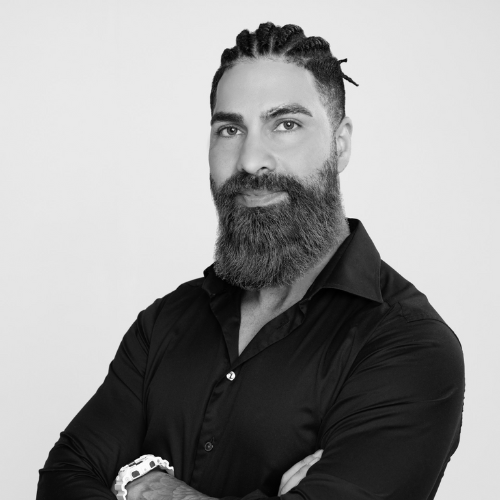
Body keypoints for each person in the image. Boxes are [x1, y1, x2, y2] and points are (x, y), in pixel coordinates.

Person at [36, 22, 465, 500]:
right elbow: (61, 478)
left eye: (286, 124)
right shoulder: (164, 323)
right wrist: (148, 479)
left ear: (340, 144)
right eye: (230, 129)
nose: (250, 159)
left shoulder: (409, 348)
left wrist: (135, 481)